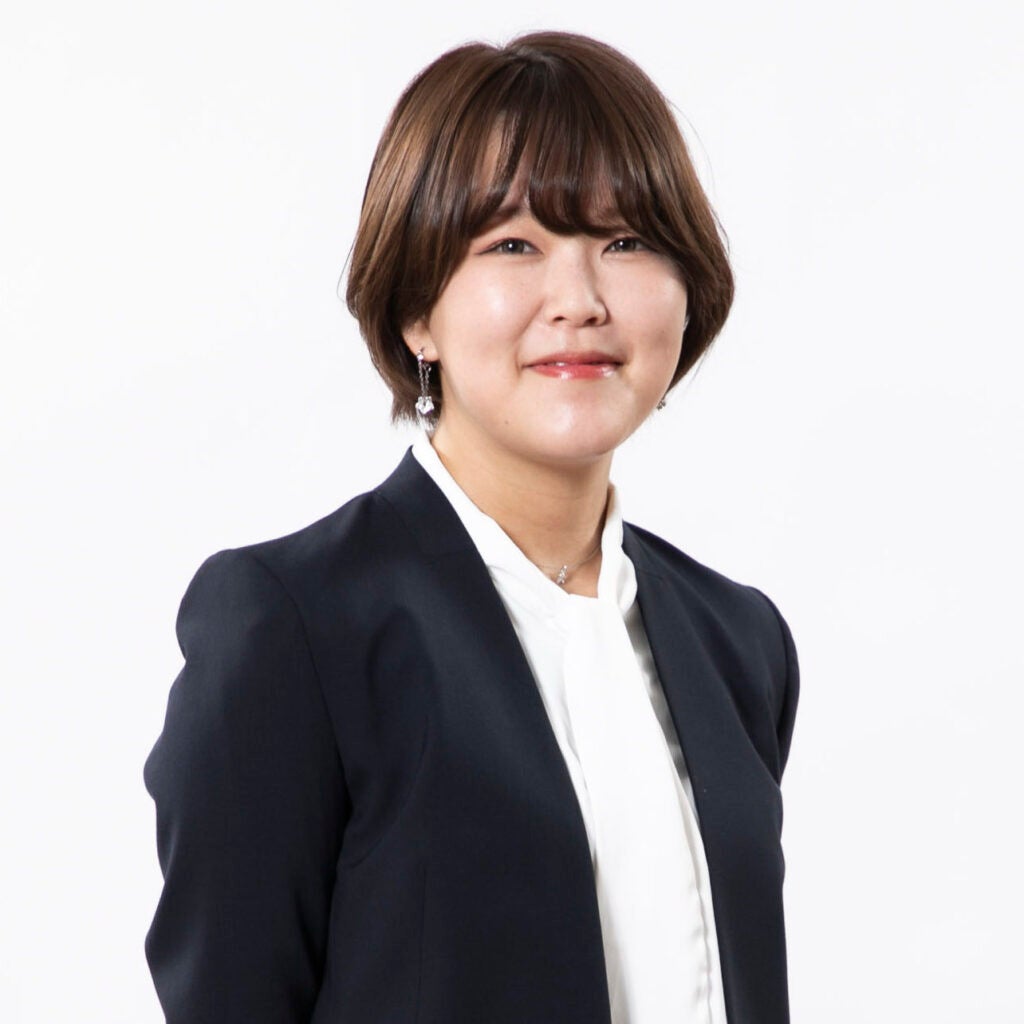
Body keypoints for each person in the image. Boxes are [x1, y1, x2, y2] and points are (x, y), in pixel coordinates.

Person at [143, 30, 800, 1024]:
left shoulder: (738, 641)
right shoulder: (295, 628)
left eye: (626, 242)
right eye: (512, 245)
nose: (579, 301)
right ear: (418, 311)